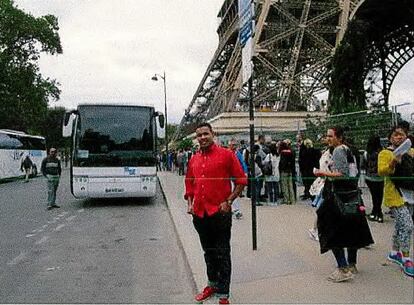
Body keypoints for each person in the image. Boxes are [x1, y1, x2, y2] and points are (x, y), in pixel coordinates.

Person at [185, 123, 247, 304]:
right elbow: (189, 183)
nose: (203, 138)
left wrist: (229, 201)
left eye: (206, 134)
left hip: (220, 214)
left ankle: (223, 294)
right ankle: (212, 284)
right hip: (199, 214)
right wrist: (190, 203)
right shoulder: (194, 159)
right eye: (199, 135)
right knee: (208, 252)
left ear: (213, 134)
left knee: (222, 253)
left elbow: (241, 180)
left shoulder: (227, 155)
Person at [314, 126, 373, 283]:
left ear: (339, 137)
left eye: (330, 136)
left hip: (338, 196)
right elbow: (354, 172)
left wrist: (322, 173)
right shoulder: (349, 149)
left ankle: (343, 267)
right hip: (351, 194)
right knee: (351, 229)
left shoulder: (339, 150)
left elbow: (342, 174)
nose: (328, 139)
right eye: (327, 136)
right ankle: (351, 264)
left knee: (331, 230)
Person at [378, 125, 414, 278]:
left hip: (410, 193)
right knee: (408, 225)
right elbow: (381, 171)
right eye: (396, 134)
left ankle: (394, 253)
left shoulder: (411, 152)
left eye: (402, 134)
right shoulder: (385, 153)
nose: (399, 137)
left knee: (401, 224)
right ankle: (406, 258)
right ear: (390, 137)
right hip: (395, 195)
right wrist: (393, 162)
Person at [308, 136, 333, 241]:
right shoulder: (327, 153)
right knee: (322, 208)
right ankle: (315, 230)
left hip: (325, 182)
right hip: (326, 183)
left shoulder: (326, 153)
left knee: (323, 209)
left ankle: (316, 230)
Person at [361, 136, 384, 223]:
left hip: (369, 178)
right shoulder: (381, 152)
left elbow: (363, 165)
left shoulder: (366, 153)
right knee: (379, 195)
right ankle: (379, 213)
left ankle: (375, 212)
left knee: (374, 196)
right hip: (380, 178)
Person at [228, 138, 248, 219]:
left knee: (234, 193)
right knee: (231, 192)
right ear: (229, 145)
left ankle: (235, 210)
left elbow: (242, 163)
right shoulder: (227, 153)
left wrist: (245, 172)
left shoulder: (238, 153)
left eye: (235, 145)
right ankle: (235, 210)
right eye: (232, 145)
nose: (234, 146)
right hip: (228, 177)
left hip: (236, 176)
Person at [278, 140, 296, 204]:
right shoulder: (291, 151)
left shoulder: (282, 153)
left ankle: (287, 200)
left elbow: (282, 163)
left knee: (284, 186)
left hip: (284, 170)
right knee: (290, 186)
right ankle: (292, 199)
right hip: (290, 170)